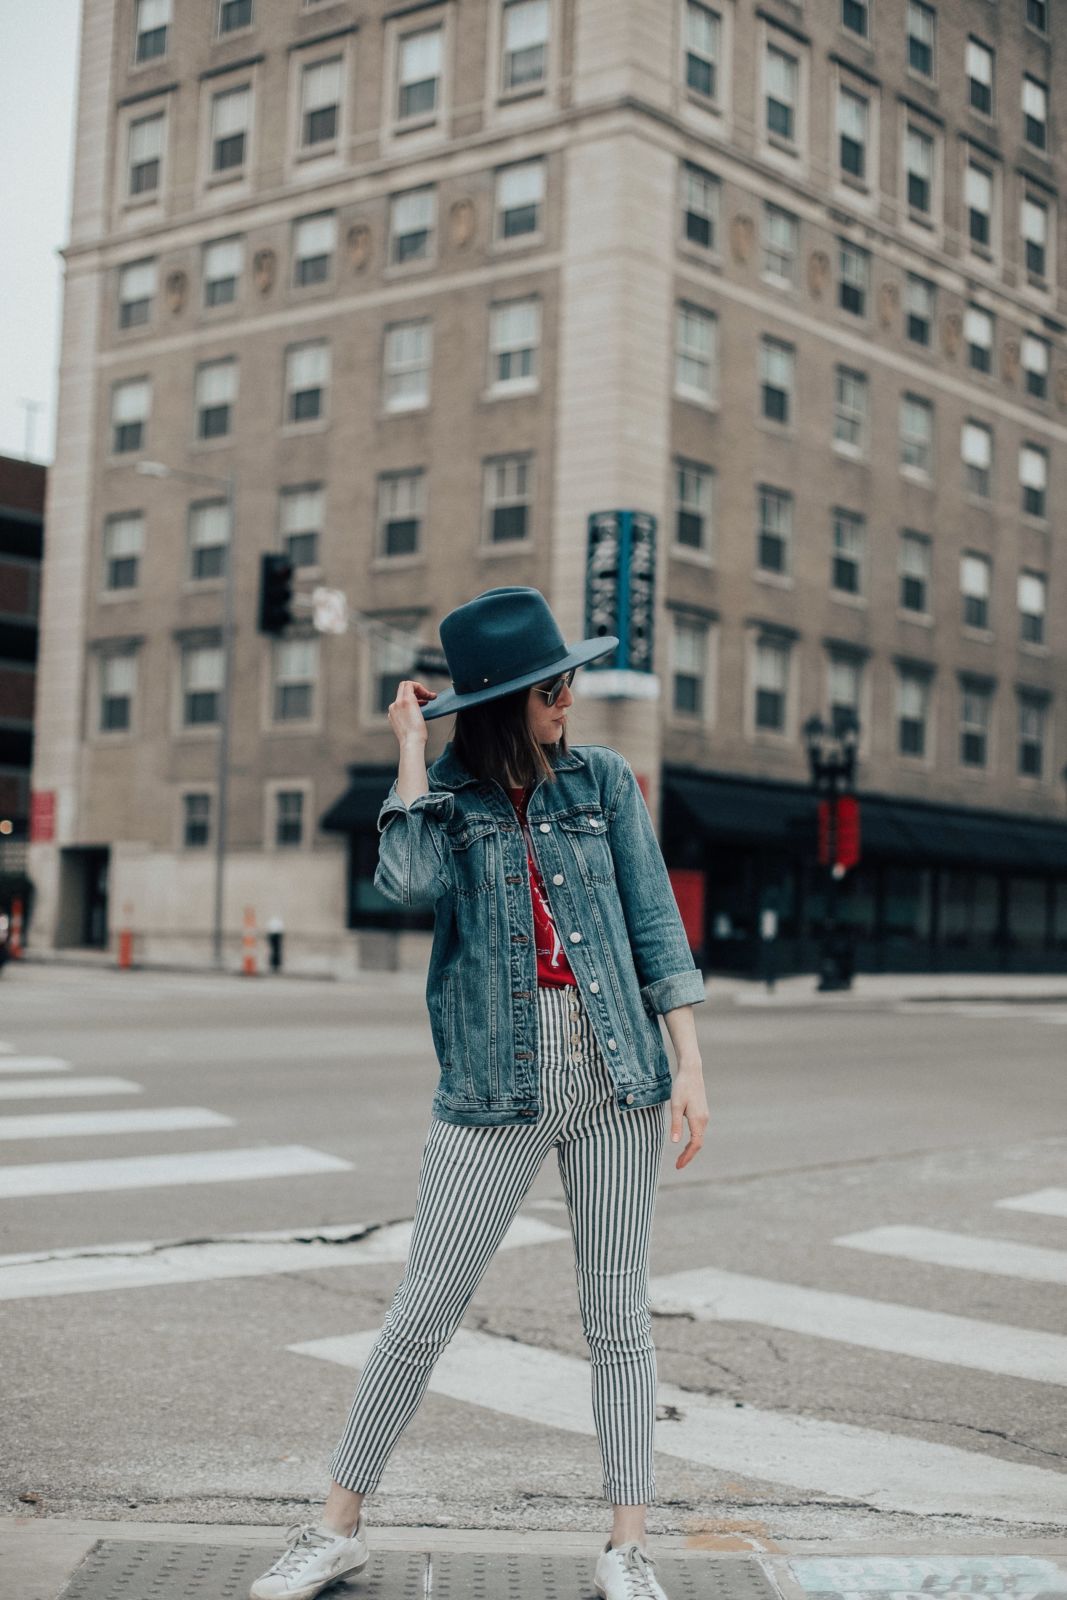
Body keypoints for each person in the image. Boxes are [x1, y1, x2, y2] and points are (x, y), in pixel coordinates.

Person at [250, 587, 710, 1600]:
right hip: (490, 1087)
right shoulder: (446, 804)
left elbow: (653, 927)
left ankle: (625, 1546)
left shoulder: (602, 781)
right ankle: (335, 1526)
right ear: (509, 701)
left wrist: (689, 1063)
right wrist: (412, 750)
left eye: (568, 684)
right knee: (421, 1312)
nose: (568, 705)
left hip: (614, 1079)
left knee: (616, 1318)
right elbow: (406, 883)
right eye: (554, 691)